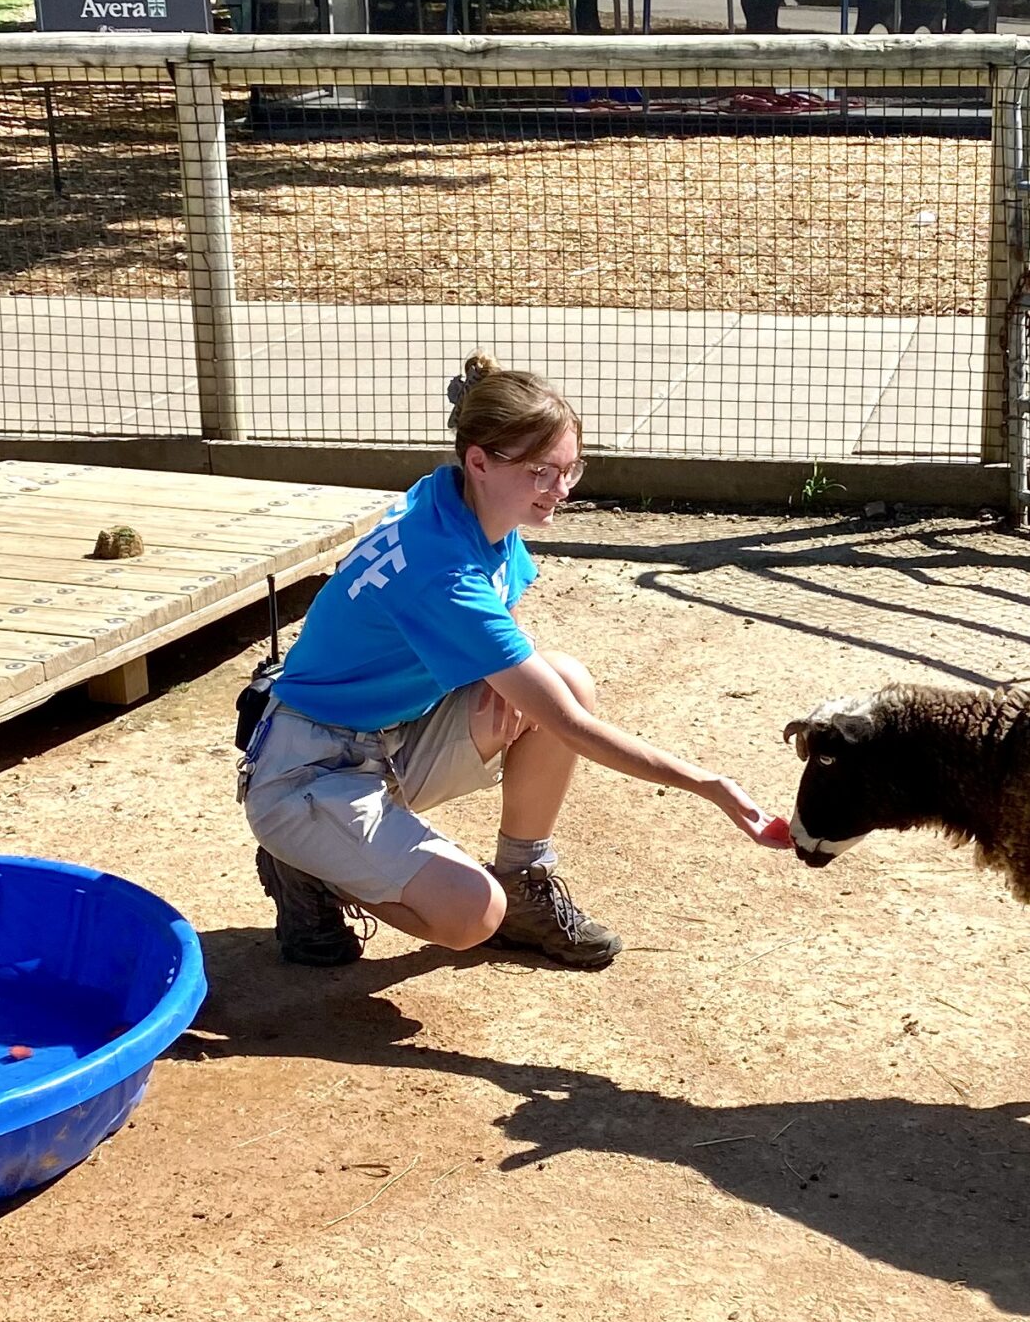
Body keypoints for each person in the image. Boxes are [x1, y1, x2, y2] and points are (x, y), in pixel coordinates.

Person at [242, 354, 779, 969]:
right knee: (473, 915)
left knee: (563, 680)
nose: (562, 490)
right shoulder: (441, 569)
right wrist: (706, 785)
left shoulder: (467, 501)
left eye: (570, 468)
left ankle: (524, 879)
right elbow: (572, 729)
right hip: (308, 771)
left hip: (392, 737)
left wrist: (513, 678)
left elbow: (508, 614)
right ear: (479, 461)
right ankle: (308, 868)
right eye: (542, 472)